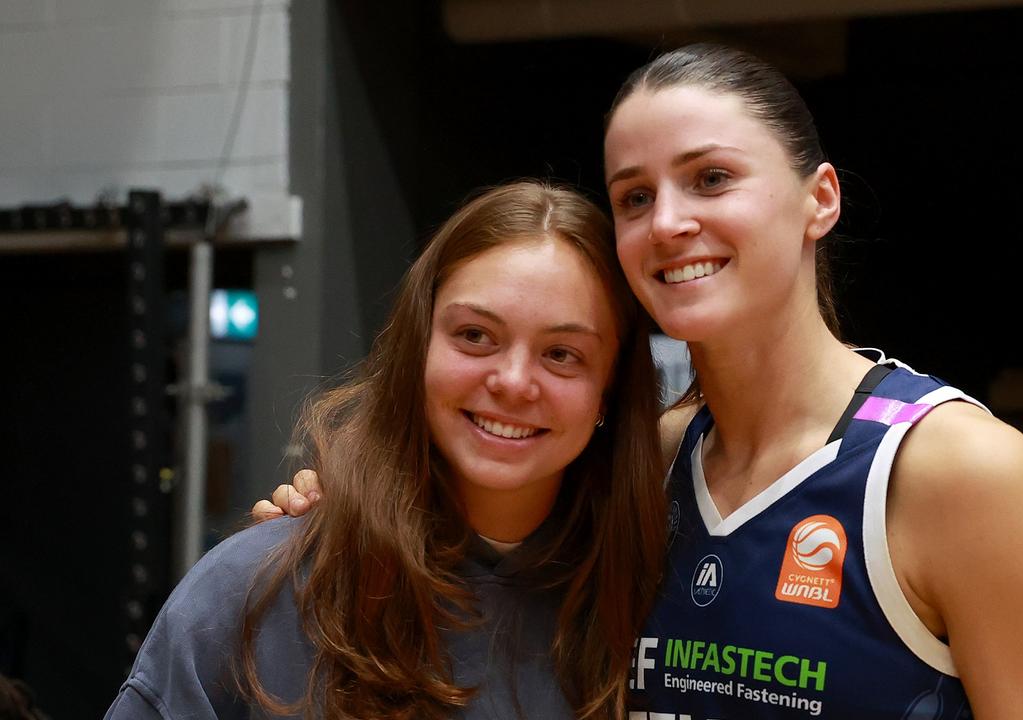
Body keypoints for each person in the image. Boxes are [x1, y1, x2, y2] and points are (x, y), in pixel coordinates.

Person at [263, 44, 1023, 718]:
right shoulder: (641, 459)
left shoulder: (959, 471)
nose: (668, 223)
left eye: (711, 178)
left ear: (820, 199)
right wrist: (331, 506)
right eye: (633, 197)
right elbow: (464, 545)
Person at [107, 182, 668, 720]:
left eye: (563, 353)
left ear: (609, 390)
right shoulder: (254, 590)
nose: (514, 381)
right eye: (475, 335)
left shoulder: (651, 608)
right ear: (416, 346)